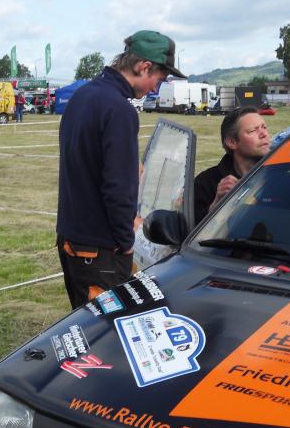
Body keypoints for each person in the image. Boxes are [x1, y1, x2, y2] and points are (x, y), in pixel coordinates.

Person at [56, 30, 186, 308]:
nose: (155, 88)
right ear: (143, 66)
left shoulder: (84, 95)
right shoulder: (119, 109)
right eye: (159, 79)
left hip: (73, 236)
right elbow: (118, 187)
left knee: (85, 320)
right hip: (99, 247)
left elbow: (88, 161)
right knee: (106, 328)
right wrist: (127, 242)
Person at [194, 106, 271, 224]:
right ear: (232, 142)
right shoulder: (205, 184)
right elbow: (190, 229)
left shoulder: (284, 181)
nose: (264, 134)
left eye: (264, 127)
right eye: (253, 130)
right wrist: (215, 206)